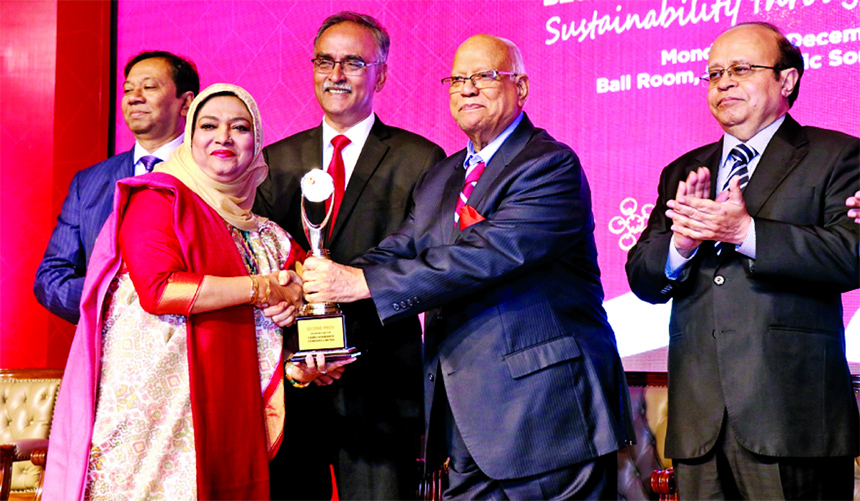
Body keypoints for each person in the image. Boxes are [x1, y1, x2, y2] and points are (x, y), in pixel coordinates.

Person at [301, 34, 633, 499]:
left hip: (545, 415)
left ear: (521, 87)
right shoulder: (443, 175)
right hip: (467, 423)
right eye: (457, 79)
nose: (467, 89)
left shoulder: (549, 165)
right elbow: (401, 248)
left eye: (484, 76)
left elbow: (483, 256)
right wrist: (307, 284)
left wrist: (361, 283)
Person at [43, 84, 352, 500]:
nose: (223, 137)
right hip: (155, 422)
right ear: (190, 137)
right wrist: (262, 288)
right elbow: (160, 289)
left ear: (256, 143)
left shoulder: (269, 236)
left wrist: (300, 342)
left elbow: (295, 305)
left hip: (229, 417)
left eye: (240, 127)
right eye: (209, 125)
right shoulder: (158, 199)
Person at [626, 22, 859, 499]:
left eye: (741, 69)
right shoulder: (684, 170)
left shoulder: (836, 155)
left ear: (787, 80)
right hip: (698, 422)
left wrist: (746, 232)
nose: (723, 82)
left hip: (792, 420)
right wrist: (681, 246)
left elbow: (850, 254)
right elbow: (643, 277)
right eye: (713, 74)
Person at [254, 11, 445, 500]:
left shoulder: (421, 159)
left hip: (382, 382)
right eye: (325, 61)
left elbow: (430, 264)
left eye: (353, 63)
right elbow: (259, 264)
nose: (335, 75)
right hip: (295, 381)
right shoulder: (274, 162)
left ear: (381, 73)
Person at [34, 51, 199, 324]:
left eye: (149, 87)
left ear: (186, 102)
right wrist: (114, 302)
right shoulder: (89, 182)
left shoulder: (213, 172)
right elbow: (51, 277)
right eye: (128, 89)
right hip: (112, 350)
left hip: (192, 340)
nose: (134, 97)